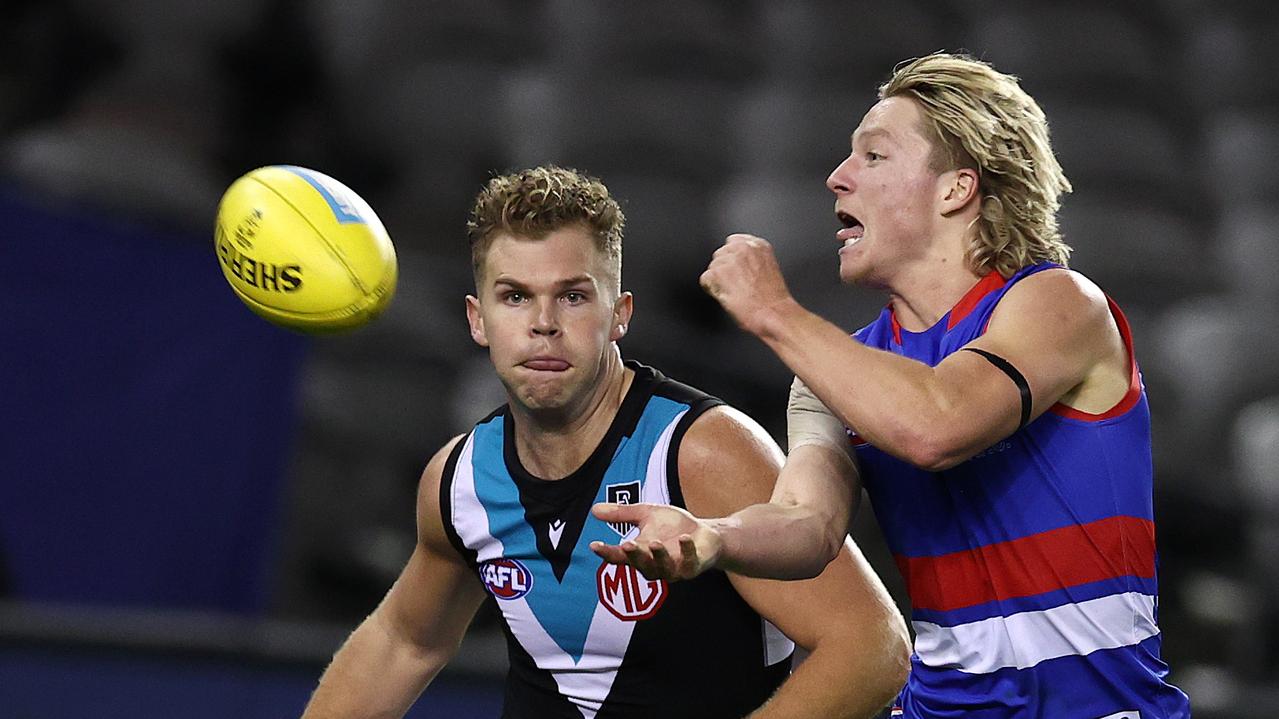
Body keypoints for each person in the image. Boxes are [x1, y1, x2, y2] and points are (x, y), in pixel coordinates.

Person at [591, 54, 1193, 718]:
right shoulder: (835, 372)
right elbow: (806, 526)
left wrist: (774, 312)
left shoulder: (1059, 303)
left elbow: (938, 425)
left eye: (873, 157)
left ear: (955, 188)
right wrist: (715, 536)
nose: (836, 177)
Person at [301, 165, 910, 719]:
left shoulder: (701, 451)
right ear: (477, 318)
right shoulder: (459, 478)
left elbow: (871, 647)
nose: (543, 323)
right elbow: (405, 641)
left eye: (572, 295)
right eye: (515, 296)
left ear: (620, 314)